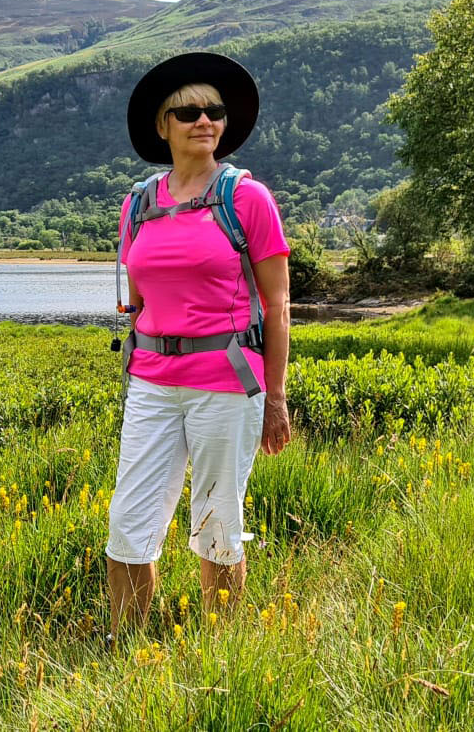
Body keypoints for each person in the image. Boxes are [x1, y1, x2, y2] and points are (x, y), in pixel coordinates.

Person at [106, 52, 291, 637]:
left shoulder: (249, 199)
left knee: (217, 521)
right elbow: (139, 299)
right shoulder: (137, 205)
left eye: (214, 110)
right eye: (188, 111)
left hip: (227, 384)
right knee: (129, 524)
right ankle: (127, 645)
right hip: (152, 383)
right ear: (163, 126)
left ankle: (221, 649)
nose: (204, 120)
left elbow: (277, 307)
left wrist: (277, 397)